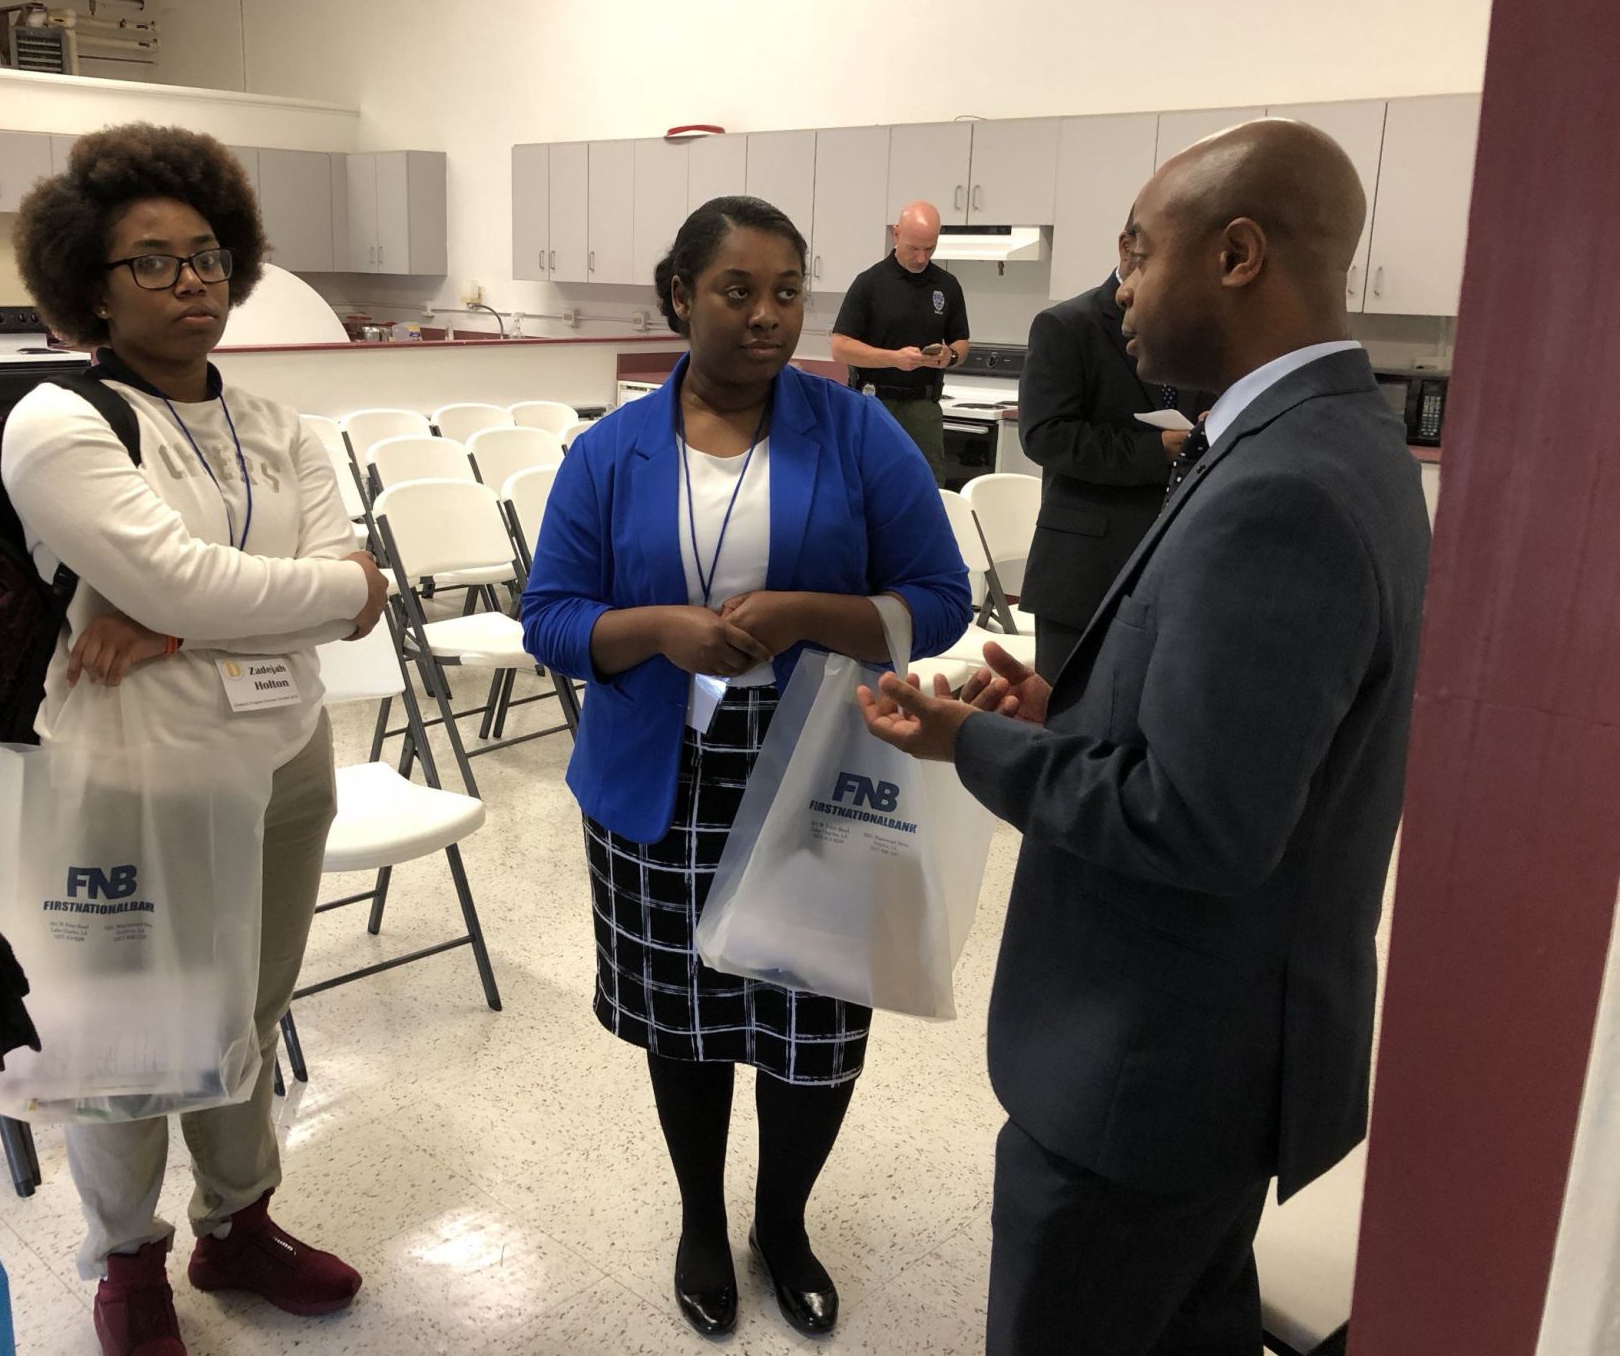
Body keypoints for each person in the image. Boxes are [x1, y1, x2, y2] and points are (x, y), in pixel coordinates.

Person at [856, 120, 1431, 1355]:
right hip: (1214, 1056)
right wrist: (1071, 714)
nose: (1119, 293)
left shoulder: (1283, 486)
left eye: (1136, 256)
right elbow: (1256, 745)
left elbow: (1196, 820)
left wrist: (972, 746)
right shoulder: (1337, 438)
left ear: (1235, 254)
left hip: (1150, 1069)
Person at [522, 196, 970, 1339]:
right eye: (737, 291)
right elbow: (554, 619)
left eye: (787, 293)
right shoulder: (609, 453)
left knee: (814, 1027)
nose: (768, 317)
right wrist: (661, 631)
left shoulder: (855, 432)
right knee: (687, 1020)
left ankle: (784, 1222)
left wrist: (806, 614)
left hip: (821, 771)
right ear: (679, 294)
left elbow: (939, 601)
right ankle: (700, 1221)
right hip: (659, 776)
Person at [3, 124, 389, 1356]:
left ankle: (237, 1222)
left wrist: (182, 626)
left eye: (210, 256)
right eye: (155, 263)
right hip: (134, 777)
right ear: (91, 288)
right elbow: (202, 580)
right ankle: (126, 1263)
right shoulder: (60, 425)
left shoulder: (278, 421)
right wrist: (212, 604)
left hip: (283, 757)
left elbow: (354, 584)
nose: (193, 283)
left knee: (252, 1004)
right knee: (130, 1031)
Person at [1016, 226, 1194, 680]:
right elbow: (1045, 436)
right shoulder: (1066, 325)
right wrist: (1157, 450)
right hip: (1082, 570)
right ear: (1125, 246)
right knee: (1066, 727)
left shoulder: (1193, 329)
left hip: (1174, 566)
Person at [829, 201, 970, 482]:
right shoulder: (870, 283)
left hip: (924, 408)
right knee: (870, 483)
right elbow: (840, 346)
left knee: (927, 486)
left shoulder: (946, 285)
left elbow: (962, 342)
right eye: (914, 248)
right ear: (896, 235)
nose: (921, 258)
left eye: (929, 248)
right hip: (875, 402)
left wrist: (950, 356)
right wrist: (893, 358)